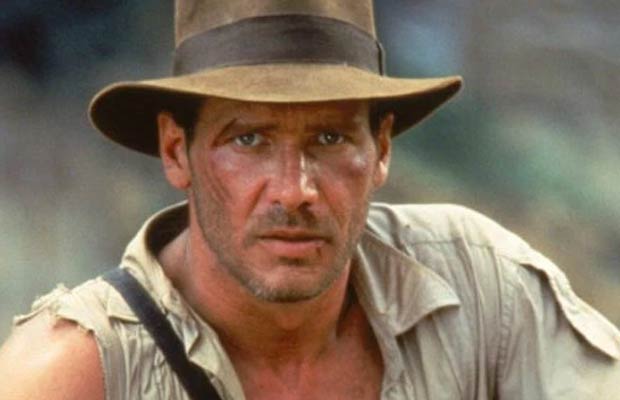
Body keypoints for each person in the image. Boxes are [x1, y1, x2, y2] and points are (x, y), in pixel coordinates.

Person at [1, 0, 619, 399]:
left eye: (330, 138)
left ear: (381, 148)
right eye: (248, 139)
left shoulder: (482, 292)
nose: (294, 190)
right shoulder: (74, 373)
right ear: (175, 150)